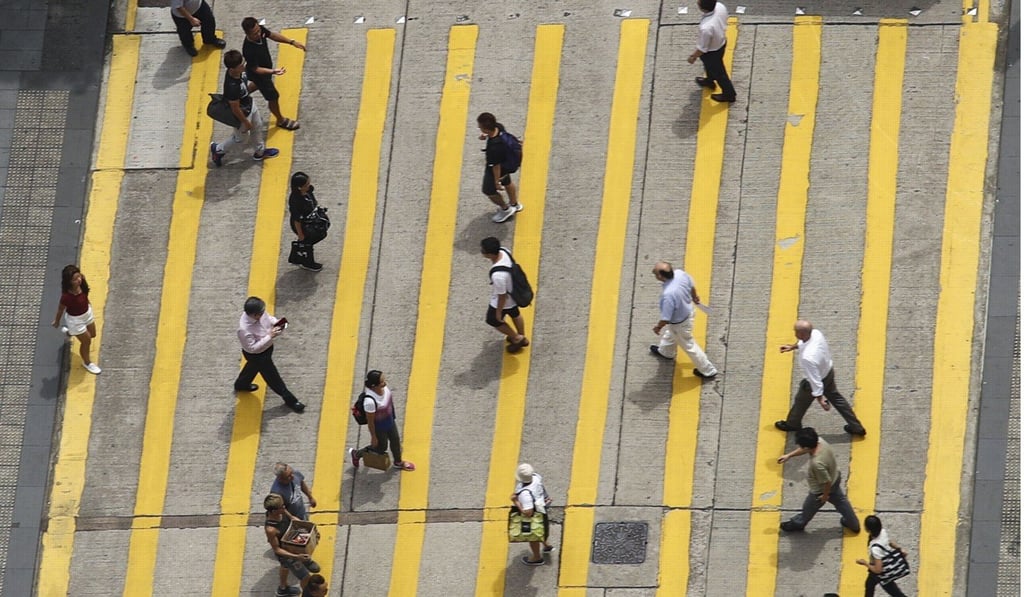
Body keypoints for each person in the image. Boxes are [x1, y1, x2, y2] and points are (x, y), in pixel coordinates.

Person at [774, 320, 867, 436]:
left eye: (795, 331)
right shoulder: (816, 333)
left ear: (801, 334)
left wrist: (820, 399)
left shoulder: (807, 357)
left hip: (815, 381)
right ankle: (857, 427)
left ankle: (793, 424)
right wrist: (793, 347)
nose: (794, 333)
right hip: (828, 372)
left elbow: (815, 380)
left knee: (800, 401)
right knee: (838, 400)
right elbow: (805, 343)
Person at [777, 427, 860, 533]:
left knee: (808, 508)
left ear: (806, 447)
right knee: (841, 502)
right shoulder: (820, 441)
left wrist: (825, 496)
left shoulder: (817, 463)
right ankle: (854, 524)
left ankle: (798, 524)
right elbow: (806, 448)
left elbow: (826, 481)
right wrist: (789, 455)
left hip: (821, 490)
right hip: (835, 476)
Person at [233, 296, 305, 413]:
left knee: (252, 368)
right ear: (254, 315)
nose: (263, 313)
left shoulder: (259, 312)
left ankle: (241, 384)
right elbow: (252, 348)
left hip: (267, 349)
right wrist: (269, 336)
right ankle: (290, 400)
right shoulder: (244, 330)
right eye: (261, 313)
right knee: (273, 377)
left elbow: (268, 318)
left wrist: (277, 323)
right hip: (258, 356)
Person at [209, 50, 279, 168]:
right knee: (241, 139)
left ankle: (260, 152)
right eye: (241, 65)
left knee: (258, 125)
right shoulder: (232, 87)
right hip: (242, 114)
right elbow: (235, 108)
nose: (244, 65)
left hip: (249, 104)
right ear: (232, 69)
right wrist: (245, 122)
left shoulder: (239, 72)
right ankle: (218, 150)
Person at [648, 261, 717, 379]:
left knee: (689, 345)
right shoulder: (680, 274)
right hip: (688, 312)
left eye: (655, 270)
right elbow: (691, 286)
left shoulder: (668, 295)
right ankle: (666, 352)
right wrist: (694, 297)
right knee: (672, 333)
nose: (653, 270)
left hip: (679, 323)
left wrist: (658, 327)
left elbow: (666, 318)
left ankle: (707, 370)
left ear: (660, 276)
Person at [241, 17, 306, 130]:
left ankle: (241, 94)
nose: (259, 34)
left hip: (265, 70)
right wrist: (273, 71)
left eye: (259, 30)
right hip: (260, 75)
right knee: (273, 96)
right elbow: (256, 69)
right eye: (255, 33)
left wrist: (292, 42)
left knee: (257, 84)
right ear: (247, 34)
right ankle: (281, 120)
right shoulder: (248, 49)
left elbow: (272, 35)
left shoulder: (260, 31)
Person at [348, 370, 415, 471]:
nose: (385, 382)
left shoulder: (385, 389)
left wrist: (393, 417)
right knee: (380, 447)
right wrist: (373, 437)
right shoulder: (369, 402)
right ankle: (357, 454)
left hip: (390, 421)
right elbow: (370, 422)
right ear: (374, 385)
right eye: (382, 381)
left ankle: (398, 462)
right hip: (379, 428)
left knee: (395, 441)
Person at [264, 493, 319, 597]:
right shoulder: (271, 529)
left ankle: (283, 589)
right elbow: (277, 550)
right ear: (274, 511)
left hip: (292, 544)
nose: (284, 508)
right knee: (305, 577)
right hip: (287, 555)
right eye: (281, 507)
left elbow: (292, 518)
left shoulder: (280, 511)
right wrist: (297, 557)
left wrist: (305, 526)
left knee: (285, 567)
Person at [480, 237, 529, 353]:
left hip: (505, 301)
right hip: (515, 294)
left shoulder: (498, 276)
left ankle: (517, 338)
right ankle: (523, 337)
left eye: (483, 250)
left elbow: (502, 296)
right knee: (515, 314)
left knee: (493, 320)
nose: (481, 251)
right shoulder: (504, 251)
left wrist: (498, 313)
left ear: (490, 254)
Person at [51, 265, 101, 374]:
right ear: (69, 282)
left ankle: (70, 332)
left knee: (92, 334)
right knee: (87, 341)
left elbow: (85, 294)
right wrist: (57, 321)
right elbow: (60, 310)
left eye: (79, 276)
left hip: (87, 313)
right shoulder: (66, 297)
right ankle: (87, 363)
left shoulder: (82, 283)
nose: (79, 280)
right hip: (76, 321)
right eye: (75, 279)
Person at [477, 112, 523, 223]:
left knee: (488, 191)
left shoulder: (494, 147)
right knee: (507, 182)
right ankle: (515, 204)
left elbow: (495, 166)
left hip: (498, 168)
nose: (479, 127)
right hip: (507, 163)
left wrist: (496, 182)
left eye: (480, 127)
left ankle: (505, 209)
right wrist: (486, 135)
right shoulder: (499, 127)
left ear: (486, 129)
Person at [687, 0, 736, 103]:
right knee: (710, 67)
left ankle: (729, 94)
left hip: (712, 52)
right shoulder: (720, 6)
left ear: (702, 8)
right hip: (721, 43)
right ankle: (709, 80)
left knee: (720, 74)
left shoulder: (706, 27)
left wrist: (693, 57)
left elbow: (702, 48)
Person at [856, 515, 909, 596]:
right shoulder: (882, 532)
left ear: (868, 529)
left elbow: (878, 570)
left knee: (892, 590)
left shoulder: (875, 549)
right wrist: (899, 548)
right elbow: (889, 542)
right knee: (870, 585)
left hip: (882, 570)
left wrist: (865, 563)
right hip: (884, 563)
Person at [512, 463, 554, 565]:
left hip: (535, 515)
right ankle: (546, 545)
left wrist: (516, 502)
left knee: (533, 536)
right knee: (542, 529)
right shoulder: (536, 478)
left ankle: (536, 557)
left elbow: (528, 513)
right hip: (542, 509)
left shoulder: (525, 494)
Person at [287, 172, 327, 272]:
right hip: (302, 225)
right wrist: (300, 234)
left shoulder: (308, 191)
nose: (309, 186)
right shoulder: (296, 201)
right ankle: (307, 262)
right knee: (308, 241)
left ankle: (300, 252)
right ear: (299, 187)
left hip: (311, 220)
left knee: (317, 236)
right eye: (307, 184)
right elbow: (297, 220)